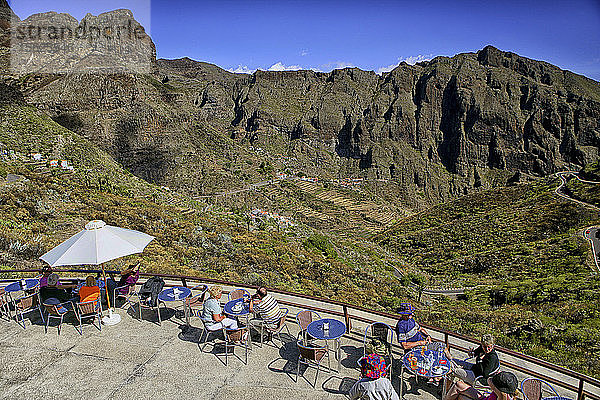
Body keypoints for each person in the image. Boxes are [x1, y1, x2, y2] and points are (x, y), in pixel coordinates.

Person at [444, 371, 518, 400]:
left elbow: (489, 380)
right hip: (484, 398)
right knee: (458, 385)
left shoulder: (502, 397)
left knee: (460, 396)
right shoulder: (503, 392)